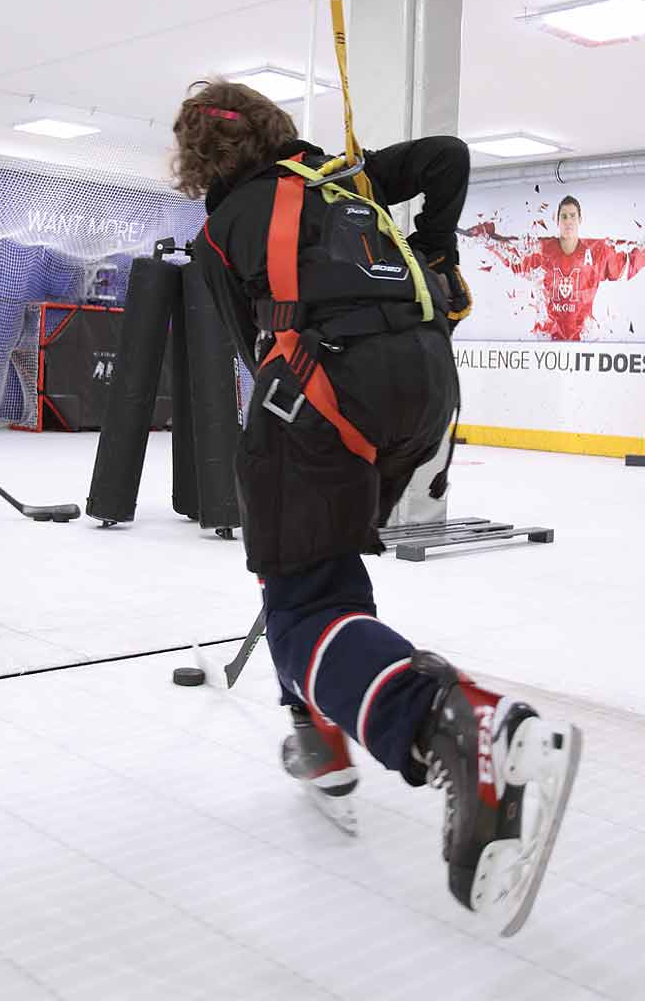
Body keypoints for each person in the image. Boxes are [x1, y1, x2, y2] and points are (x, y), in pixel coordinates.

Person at [177, 80, 581, 936]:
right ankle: (319, 732)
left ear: (199, 156)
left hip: (325, 392)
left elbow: (251, 347)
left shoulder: (222, 228)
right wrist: (434, 258)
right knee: (316, 565)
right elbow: (448, 159)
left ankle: (448, 722)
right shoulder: (343, 180)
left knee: (302, 597)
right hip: (425, 385)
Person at [513, 196, 645, 340]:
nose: (568, 221)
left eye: (572, 216)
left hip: (582, 338)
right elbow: (513, 256)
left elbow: (625, 264)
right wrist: (487, 238)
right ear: (556, 220)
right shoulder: (541, 249)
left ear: (580, 220)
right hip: (546, 340)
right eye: (564, 216)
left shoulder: (596, 251)